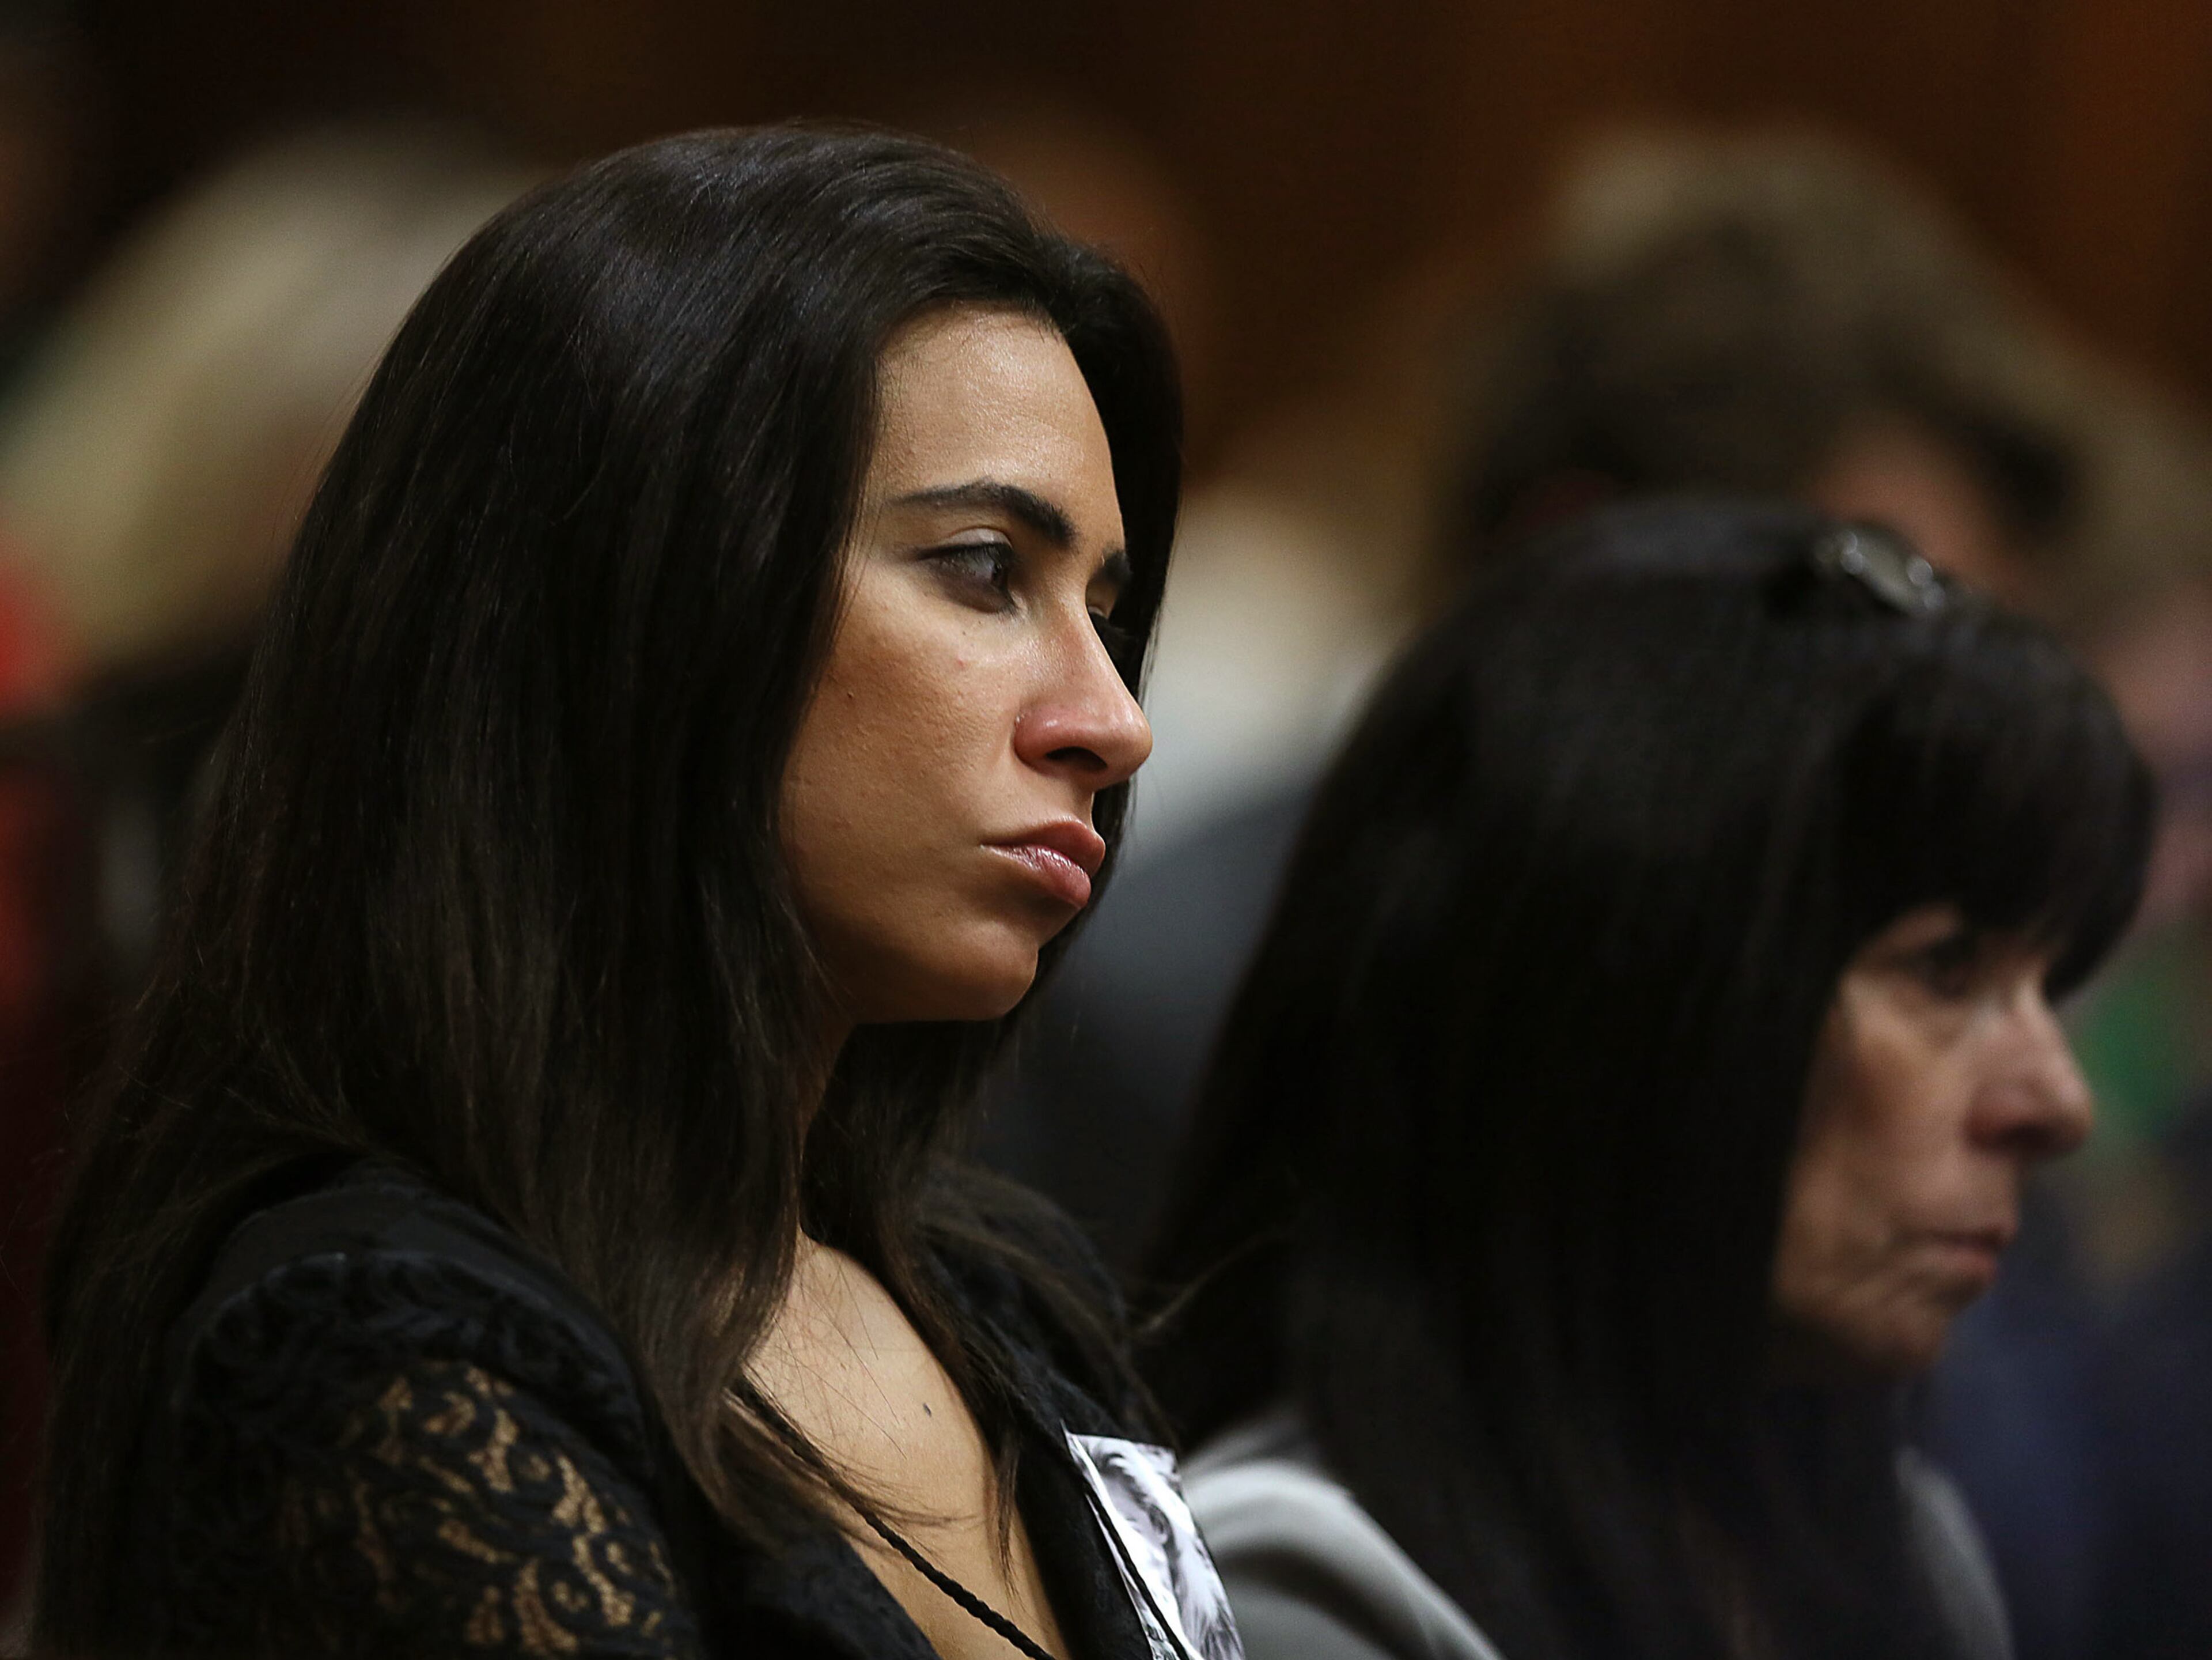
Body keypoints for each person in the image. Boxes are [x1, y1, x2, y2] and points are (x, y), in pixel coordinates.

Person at [31, 126, 1240, 1660]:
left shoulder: (1008, 1303)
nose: (1114, 718)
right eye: (987, 568)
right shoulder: (379, 1349)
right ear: (653, 598)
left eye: (1104, 610)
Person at [1146, 501, 2152, 1660]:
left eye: (2047, 983)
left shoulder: (1903, 1549)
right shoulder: (1300, 1593)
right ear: (1624, 995)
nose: (2054, 1103)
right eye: (1942, 968)